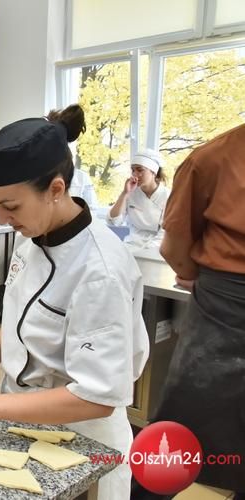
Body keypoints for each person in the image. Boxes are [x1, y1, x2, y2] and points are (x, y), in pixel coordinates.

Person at [0, 105, 149, 500]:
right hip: (22, 421)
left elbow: (95, 398)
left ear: (56, 190)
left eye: (10, 206)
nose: (3, 218)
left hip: (83, 443)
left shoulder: (100, 271)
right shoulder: (32, 236)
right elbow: (24, 311)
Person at [146, 124, 245, 497]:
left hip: (226, 299)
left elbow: (175, 250)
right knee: (177, 437)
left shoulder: (215, 156)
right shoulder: (213, 158)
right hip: (229, 310)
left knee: (171, 442)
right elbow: (176, 248)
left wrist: (195, 275)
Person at [108, 148, 170, 249]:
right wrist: (125, 194)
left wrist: (144, 252)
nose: (135, 174)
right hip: (131, 245)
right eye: (133, 170)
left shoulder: (168, 196)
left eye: (140, 170)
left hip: (157, 248)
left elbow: (164, 234)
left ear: (153, 172)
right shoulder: (131, 192)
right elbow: (114, 221)